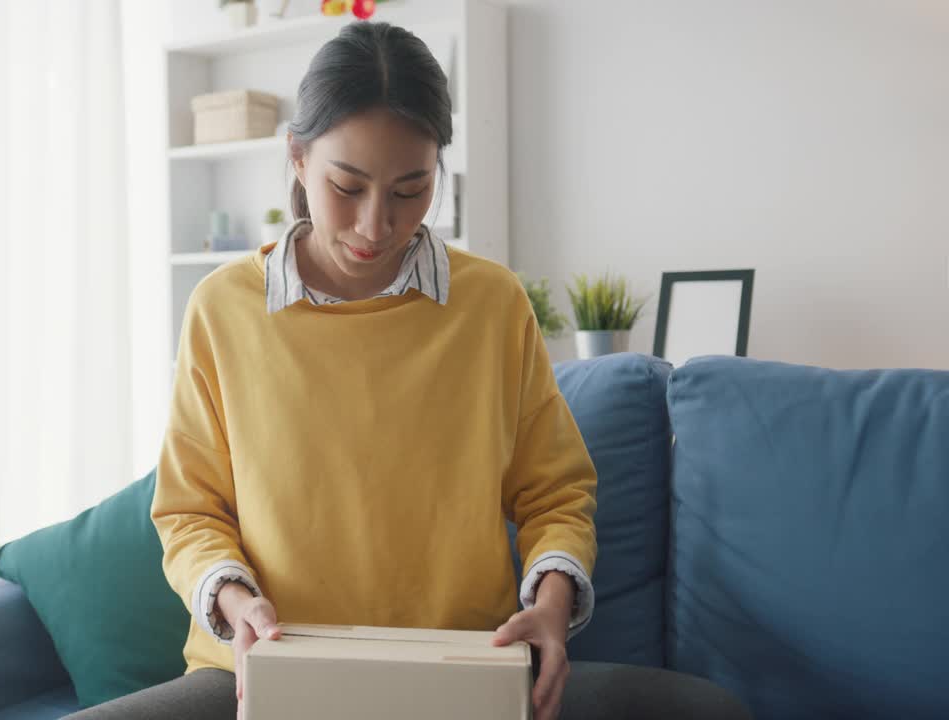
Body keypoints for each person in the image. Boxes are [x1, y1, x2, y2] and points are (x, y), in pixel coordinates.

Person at [66, 21, 750, 720]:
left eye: (409, 188)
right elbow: (189, 510)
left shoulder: (492, 304)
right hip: (261, 672)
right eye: (348, 185)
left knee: (704, 711)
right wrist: (236, 604)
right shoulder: (222, 308)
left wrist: (549, 608)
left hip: (456, 672)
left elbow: (556, 495)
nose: (375, 224)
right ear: (297, 158)